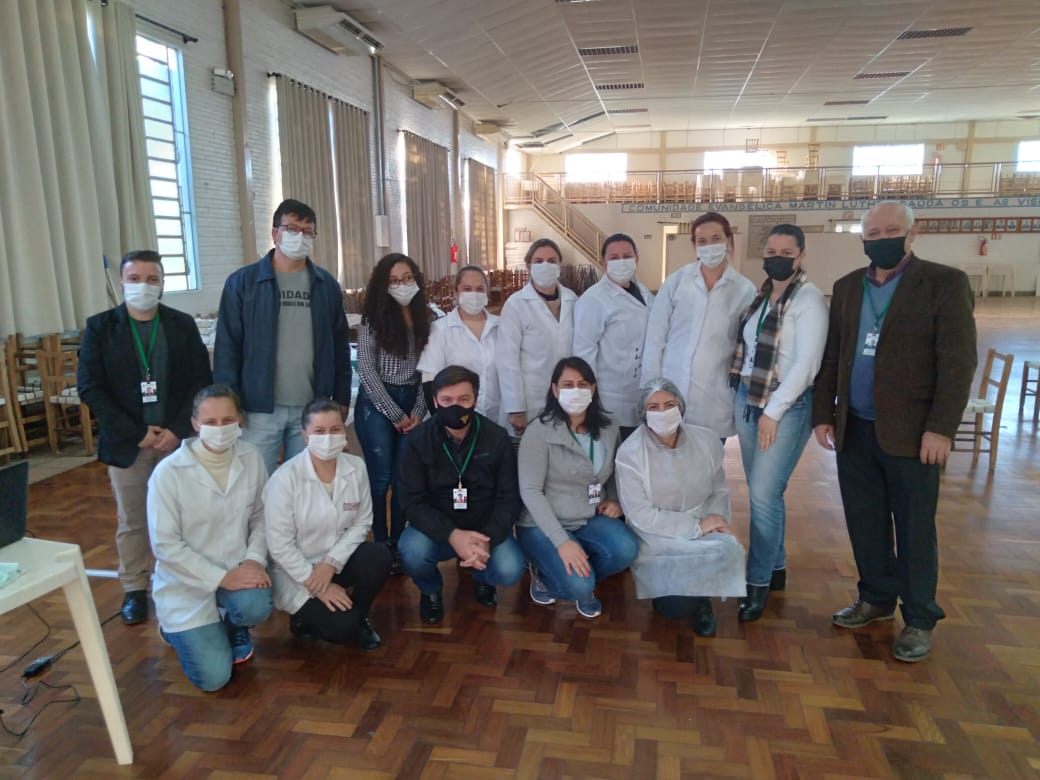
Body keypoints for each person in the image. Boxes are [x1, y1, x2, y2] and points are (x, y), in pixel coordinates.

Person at [812, 201, 977, 663]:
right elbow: (832, 356)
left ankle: (920, 618)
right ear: (863, 238)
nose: (882, 238)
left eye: (892, 230)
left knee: (914, 529)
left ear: (912, 233)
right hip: (855, 430)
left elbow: (958, 363)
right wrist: (824, 414)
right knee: (864, 522)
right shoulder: (848, 287)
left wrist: (941, 429)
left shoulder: (944, 283)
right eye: (874, 232)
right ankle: (876, 599)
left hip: (913, 436)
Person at [78, 250, 212, 625]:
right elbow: (90, 387)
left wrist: (177, 429)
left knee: (187, 516)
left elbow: (200, 381)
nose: (143, 286)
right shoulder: (100, 327)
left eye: (152, 279)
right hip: (128, 443)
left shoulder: (181, 324)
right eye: (135, 279)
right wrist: (136, 432)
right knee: (133, 520)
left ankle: (189, 580)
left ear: (162, 284)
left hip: (175, 440)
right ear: (122, 283)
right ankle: (135, 588)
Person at [729, 224, 828, 622]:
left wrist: (773, 412)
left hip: (784, 408)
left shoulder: (810, 299)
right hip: (748, 398)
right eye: (771, 251)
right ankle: (777, 567)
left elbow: (807, 365)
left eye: (787, 253)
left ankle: (757, 583)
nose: (778, 258)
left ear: (801, 256)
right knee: (764, 493)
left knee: (763, 496)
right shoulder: (762, 295)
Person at [146, 385, 272, 692]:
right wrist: (221, 577)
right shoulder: (169, 473)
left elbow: (262, 516)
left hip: (238, 568)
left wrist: (254, 561)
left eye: (228, 420)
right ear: (194, 424)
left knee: (256, 605)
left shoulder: (251, 457)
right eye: (210, 422)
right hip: (185, 585)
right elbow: (165, 546)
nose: (220, 429)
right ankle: (173, 631)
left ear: (240, 421)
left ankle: (233, 624)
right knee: (214, 678)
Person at [213, 198, 352, 477]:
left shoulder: (325, 285)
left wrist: (341, 398)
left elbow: (339, 346)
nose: (299, 237)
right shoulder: (243, 282)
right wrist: (228, 403)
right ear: (275, 233)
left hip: (310, 406)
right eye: (291, 229)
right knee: (253, 482)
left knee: (302, 483)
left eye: (307, 231)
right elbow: (227, 347)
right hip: (257, 409)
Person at [615, 378, 745, 637]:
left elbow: (718, 489)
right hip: (658, 533)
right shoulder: (630, 454)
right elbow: (641, 514)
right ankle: (681, 594)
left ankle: (702, 599)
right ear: (643, 414)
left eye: (669, 404)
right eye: (653, 407)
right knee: (673, 608)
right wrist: (694, 527)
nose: (662, 412)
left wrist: (715, 521)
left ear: (681, 407)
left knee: (728, 548)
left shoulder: (706, 441)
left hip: (704, 520)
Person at [395, 366, 525, 624]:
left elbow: (509, 498)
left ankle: (481, 576)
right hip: (437, 527)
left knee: (510, 569)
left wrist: (486, 539)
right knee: (411, 552)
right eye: (447, 400)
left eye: (463, 399)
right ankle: (430, 589)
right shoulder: (417, 440)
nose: (455, 407)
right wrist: (452, 534)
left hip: (483, 528)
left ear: (475, 399)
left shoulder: (497, 438)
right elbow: (411, 501)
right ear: (435, 401)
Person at [516, 357, 638, 619]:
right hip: (541, 524)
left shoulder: (608, 427)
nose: (576, 391)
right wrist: (562, 542)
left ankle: (580, 572)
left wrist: (614, 498)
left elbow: (614, 472)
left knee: (626, 549)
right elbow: (530, 491)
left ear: (593, 389)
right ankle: (546, 572)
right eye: (568, 385)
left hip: (588, 517)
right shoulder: (539, 431)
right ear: (555, 389)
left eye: (582, 384)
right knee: (578, 585)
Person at [264, 399, 392, 650]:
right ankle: (302, 617)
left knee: (379, 556)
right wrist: (317, 584)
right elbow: (279, 546)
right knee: (341, 629)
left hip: (335, 561)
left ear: (344, 431)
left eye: (335, 430)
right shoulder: (284, 479)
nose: (328, 438)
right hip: (296, 571)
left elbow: (362, 522)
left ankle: (360, 617)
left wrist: (330, 564)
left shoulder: (356, 467)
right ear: (305, 436)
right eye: (319, 431)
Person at [641, 212, 756, 440]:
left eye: (716, 238)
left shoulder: (744, 290)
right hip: (670, 392)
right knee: (666, 455)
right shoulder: (677, 282)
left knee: (708, 457)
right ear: (694, 245)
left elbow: (747, 347)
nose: (709, 246)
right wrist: (650, 389)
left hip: (715, 397)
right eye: (702, 241)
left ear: (728, 240)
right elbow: (655, 337)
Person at [354, 253, 431, 570]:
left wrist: (418, 411)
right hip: (378, 402)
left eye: (407, 278)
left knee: (403, 479)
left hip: (414, 399)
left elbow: (430, 370)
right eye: (394, 280)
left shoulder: (427, 317)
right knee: (380, 477)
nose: (402, 285)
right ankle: (379, 541)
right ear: (383, 285)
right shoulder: (372, 320)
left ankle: (398, 541)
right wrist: (395, 414)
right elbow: (366, 371)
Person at [573, 234, 655, 438]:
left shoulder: (643, 292)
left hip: (643, 394)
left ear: (637, 258)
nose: (621, 262)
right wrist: (586, 401)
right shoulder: (593, 299)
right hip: (611, 401)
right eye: (614, 257)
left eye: (627, 256)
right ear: (603, 262)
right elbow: (584, 354)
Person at [498, 239, 577, 438]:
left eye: (552, 261)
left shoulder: (572, 300)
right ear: (528, 267)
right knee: (529, 451)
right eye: (538, 261)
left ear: (560, 265)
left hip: (566, 397)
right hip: (530, 399)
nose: (545, 266)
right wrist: (516, 408)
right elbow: (507, 360)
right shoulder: (516, 304)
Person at [417, 265, 502, 425]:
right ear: (455, 293)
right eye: (467, 289)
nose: (474, 294)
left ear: (487, 293)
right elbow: (430, 381)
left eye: (479, 289)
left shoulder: (501, 327)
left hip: (498, 418)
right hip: (455, 418)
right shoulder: (440, 329)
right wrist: (443, 421)